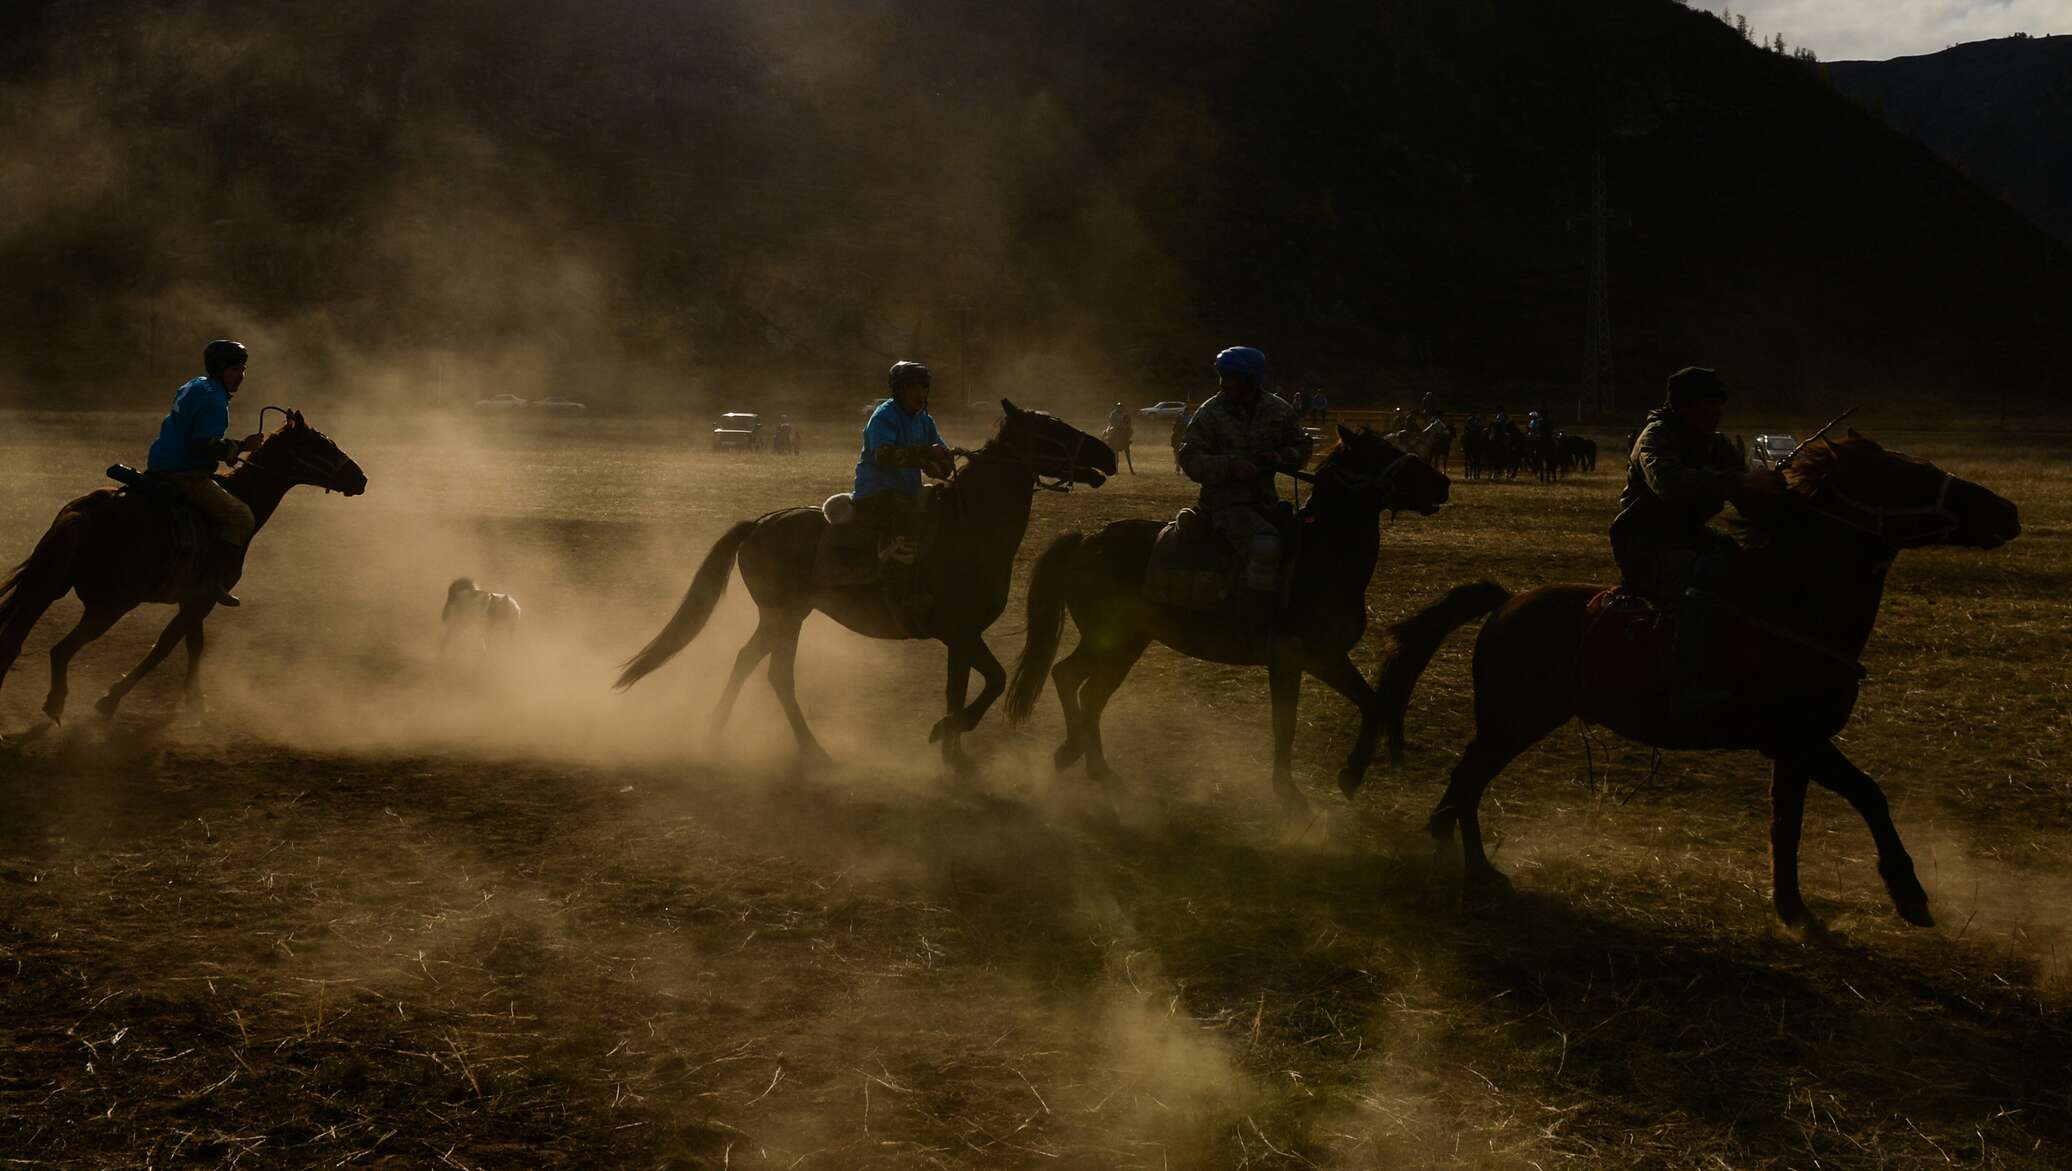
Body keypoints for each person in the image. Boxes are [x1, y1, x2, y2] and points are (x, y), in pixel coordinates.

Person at [1608, 366, 1785, 694]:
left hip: (1690, 540)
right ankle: (1683, 680)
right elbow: (1668, 484)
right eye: (1709, 406)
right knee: (1710, 575)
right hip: (1647, 547)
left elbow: (1747, 498)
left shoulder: (1715, 446)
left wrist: (1778, 491)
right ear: (1685, 407)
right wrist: (1740, 481)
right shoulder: (1655, 439)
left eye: (1720, 405)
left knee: (1751, 570)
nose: (1718, 413)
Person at [1177, 346, 1314, 629]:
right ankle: (1254, 617)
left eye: (1231, 377)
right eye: (1222, 377)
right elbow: (1189, 458)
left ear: (1251, 380)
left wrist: (1279, 457)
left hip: (1266, 501)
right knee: (1264, 542)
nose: (1224, 383)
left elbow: (1301, 447)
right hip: (1223, 505)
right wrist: (1230, 466)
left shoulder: (1279, 409)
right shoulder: (1209, 413)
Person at [145, 339, 264, 606]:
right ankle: (211, 581)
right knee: (241, 517)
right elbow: (203, 446)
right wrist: (243, 446)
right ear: (220, 369)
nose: (240, 377)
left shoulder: (196, 384)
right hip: (184, 472)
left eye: (243, 369)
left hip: (159, 464)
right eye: (234, 370)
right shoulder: (214, 400)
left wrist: (230, 450)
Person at [852, 361, 953, 578]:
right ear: (899, 390)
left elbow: (943, 457)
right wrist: (926, 455)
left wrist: (941, 464)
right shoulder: (884, 416)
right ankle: (891, 575)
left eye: (924, 387)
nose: (920, 393)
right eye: (913, 387)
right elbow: (884, 457)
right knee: (902, 513)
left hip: (907, 492)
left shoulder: (925, 421)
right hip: (875, 492)